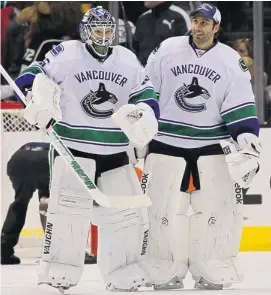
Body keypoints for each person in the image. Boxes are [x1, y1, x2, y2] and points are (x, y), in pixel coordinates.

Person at [14, 6, 159, 292]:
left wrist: (145, 111)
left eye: (108, 31)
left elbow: (146, 92)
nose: (103, 36)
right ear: (85, 30)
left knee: (126, 214)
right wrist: (34, 99)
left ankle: (123, 271)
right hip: (73, 146)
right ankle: (58, 272)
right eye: (98, 30)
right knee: (68, 212)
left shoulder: (127, 59)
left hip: (116, 150)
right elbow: (32, 75)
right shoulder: (67, 53)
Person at [141, 3, 261, 291]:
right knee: (161, 210)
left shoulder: (231, 60)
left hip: (211, 144)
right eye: (195, 21)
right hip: (166, 142)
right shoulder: (168, 49)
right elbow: (147, 88)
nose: (198, 27)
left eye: (205, 23)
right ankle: (161, 270)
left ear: (216, 27)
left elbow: (239, 104)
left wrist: (245, 138)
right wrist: (141, 120)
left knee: (216, 211)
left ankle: (213, 270)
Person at [1, 142, 50, 265]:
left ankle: (4, 249)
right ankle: (54, 250)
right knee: (50, 204)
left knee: (20, 203)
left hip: (18, 159)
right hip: (45, 160)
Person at [133, 1, 191, 66]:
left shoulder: (179, 16)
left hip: (171, 71)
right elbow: (135, 50)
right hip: (145, 72)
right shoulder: (142, 19)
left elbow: (190, 50)